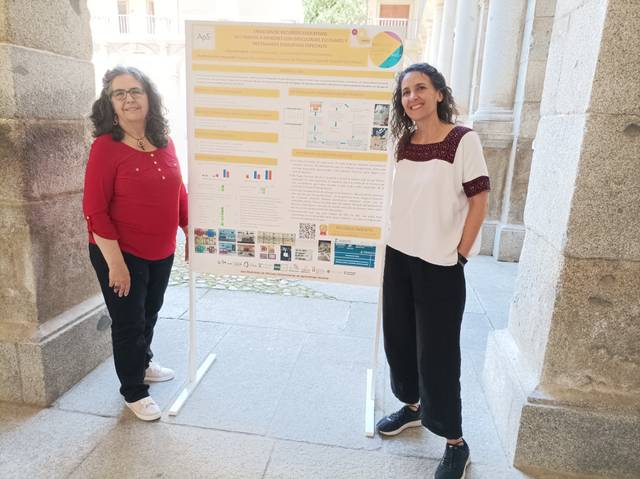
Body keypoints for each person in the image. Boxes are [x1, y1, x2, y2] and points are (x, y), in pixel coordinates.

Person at [376, 63, 490, 479]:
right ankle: (411, 406)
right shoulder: (402, 142)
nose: (412, 97)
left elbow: (479, 200)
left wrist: (459, 253)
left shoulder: (463, 140)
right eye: (405, 92)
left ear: (439, 93)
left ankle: (455, 443)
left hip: (440, 264)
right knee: (400, 342)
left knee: (438, 355)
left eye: (420, 88)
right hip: (399, 258)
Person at [83, 66, 188, 421]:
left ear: (149, 97)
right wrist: (115, 264)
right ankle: (133, 389)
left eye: (135, 91)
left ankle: (142, 363)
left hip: (162, 248)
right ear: (110, 103)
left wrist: (190, 232)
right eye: (119, 93)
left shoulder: (165, 140)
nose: (129, 99)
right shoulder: (105, 148)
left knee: (150, 310)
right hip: (119, 252)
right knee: (128, 321)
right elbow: (95, 211)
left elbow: (179, 192)